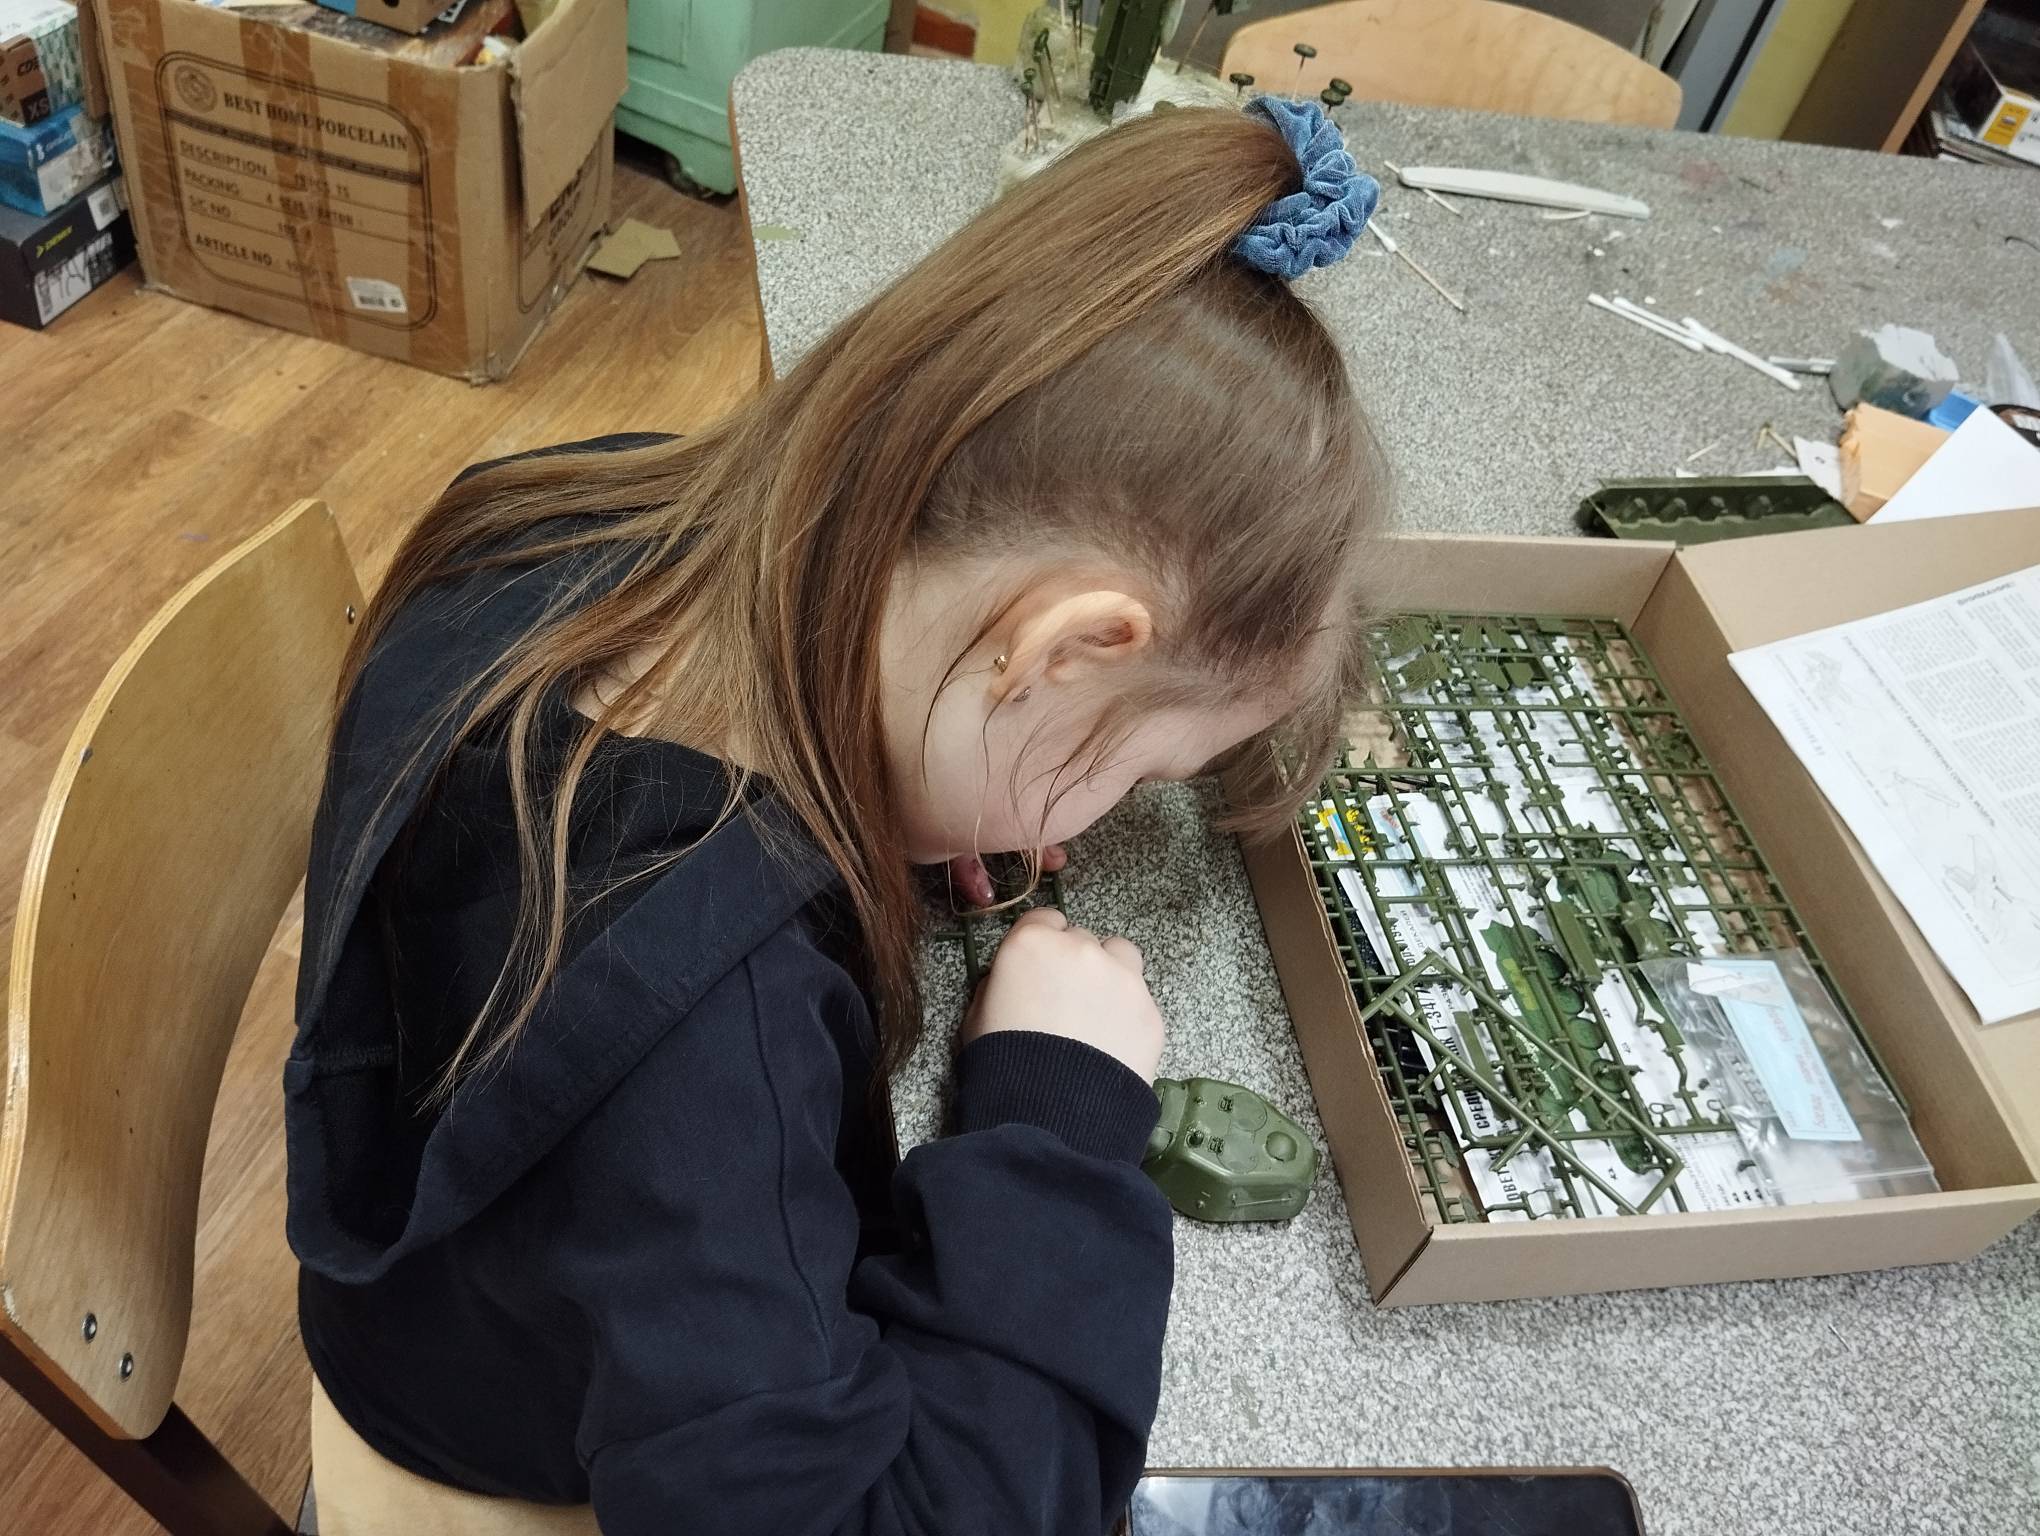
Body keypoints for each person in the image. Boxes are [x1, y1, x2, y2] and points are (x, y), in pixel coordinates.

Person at [286, 96, 1385, 1536]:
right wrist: (1054, 1117)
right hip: (501, 1430)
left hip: (468, 1291)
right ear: (1057, 653)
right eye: (1134, 774)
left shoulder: (574, 512)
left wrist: (923, 795)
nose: (1103, 817)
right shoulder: (707, 1048)